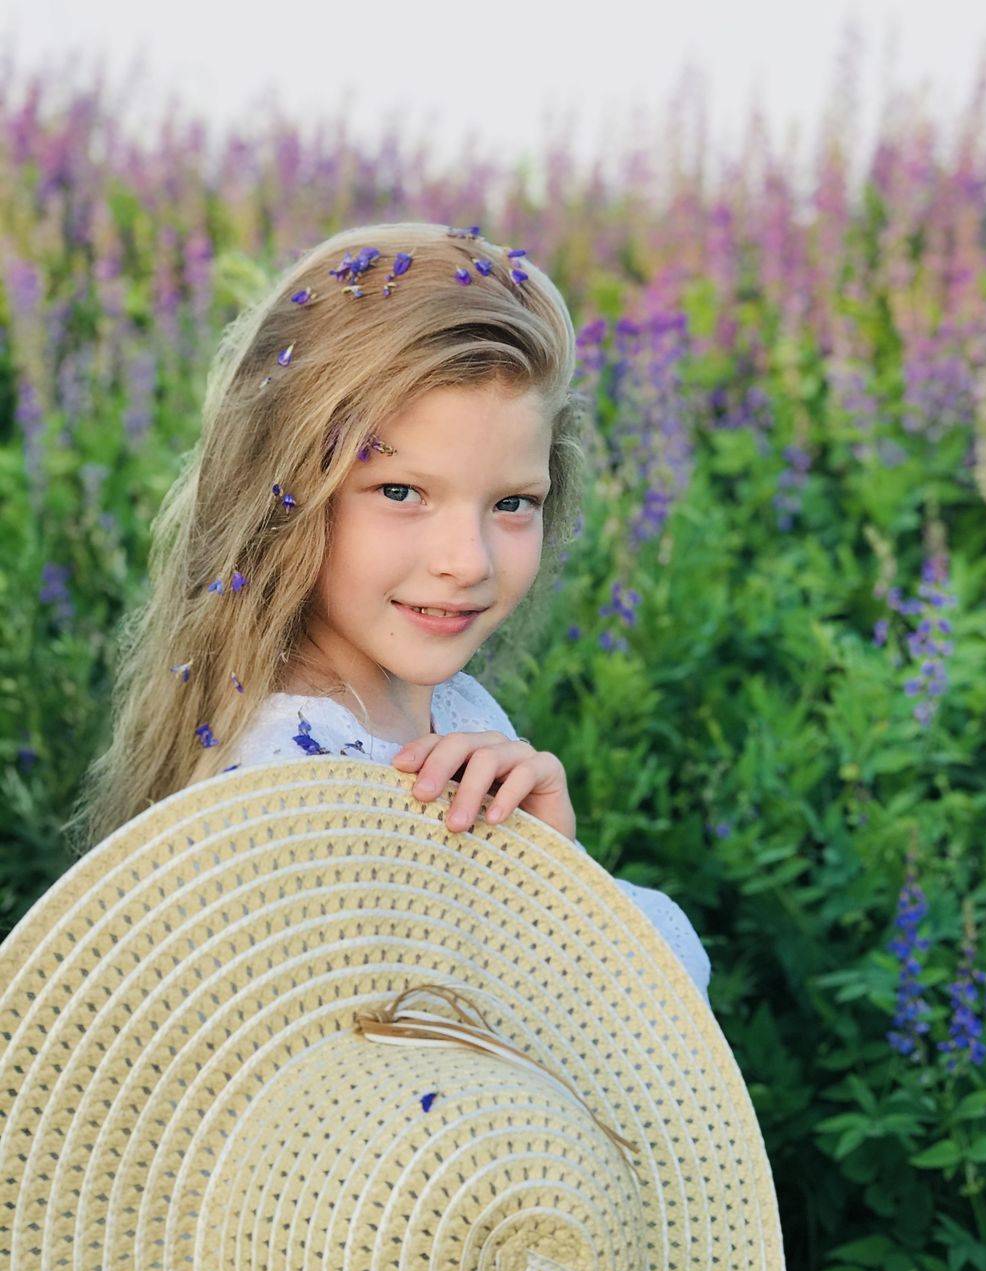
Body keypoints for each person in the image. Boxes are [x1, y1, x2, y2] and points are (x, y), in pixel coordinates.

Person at [61, 221, 712, 1003]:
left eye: (512, 503)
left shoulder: (445, 707)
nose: (467, 561)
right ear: (286, 498)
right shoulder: (298, 808)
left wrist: (548, 874)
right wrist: (559, 913)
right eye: (401, 492)